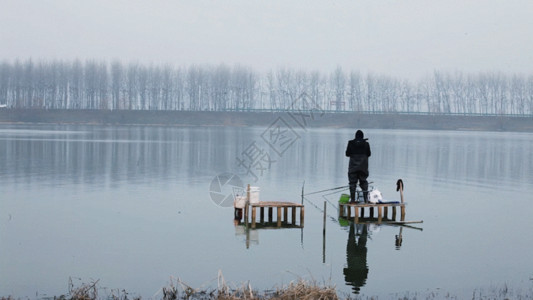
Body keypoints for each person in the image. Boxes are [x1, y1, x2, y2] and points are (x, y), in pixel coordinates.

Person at [345, 130, 371, 203]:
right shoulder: (366, 144)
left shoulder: (350, 143)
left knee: (352, 183)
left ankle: (353, 200)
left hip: (353, 167)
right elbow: (369, 154)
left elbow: (347, 154)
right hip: (363, 167)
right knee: (363, 182)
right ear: (362, 136)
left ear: (355, 136)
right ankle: (366, 199)